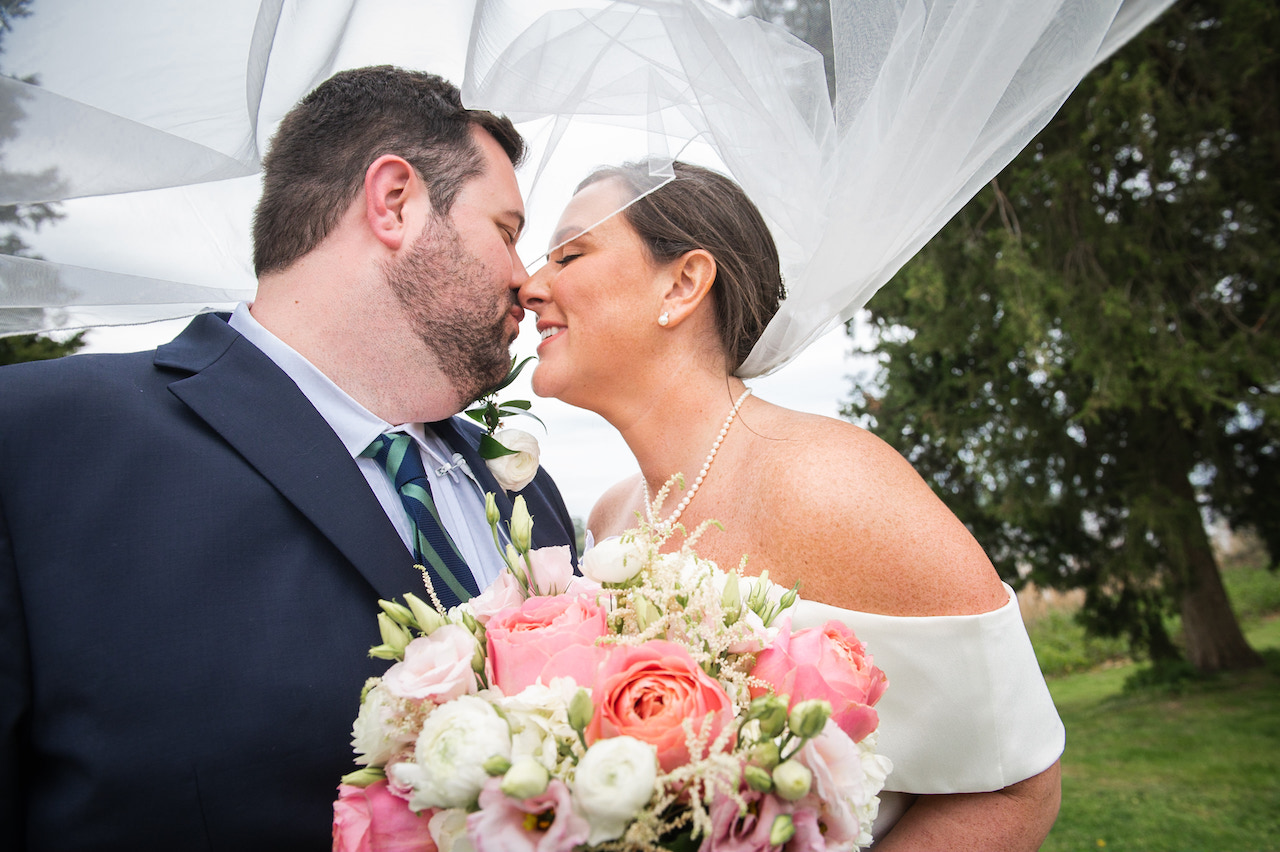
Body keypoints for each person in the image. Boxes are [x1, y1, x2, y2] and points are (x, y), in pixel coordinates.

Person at [0, 66, 576, 851]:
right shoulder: (41, 441)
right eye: (507, 232)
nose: (527, 278)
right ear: (395, 201)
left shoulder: (527, 492)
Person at [518, 160, 1065, 850]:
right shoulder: (609, 516)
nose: (532, 286)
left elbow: (1017, 785)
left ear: (683, 283)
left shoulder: (831, 480)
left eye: (569, 254)